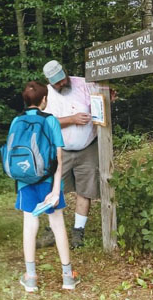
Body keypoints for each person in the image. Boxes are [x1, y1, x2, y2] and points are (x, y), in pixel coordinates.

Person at [14, 81, 79, 292]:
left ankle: (31, 277)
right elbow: (59, 158)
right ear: (44, 100)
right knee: (58, 224)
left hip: (25, 180)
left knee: (29, 225)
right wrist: (55, 189)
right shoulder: (50, 121)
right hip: (49, 181)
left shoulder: (16, 121)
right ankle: (68, 276)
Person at [37, 60, 99, 249]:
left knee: (85, 190)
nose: (62, 84)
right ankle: (53, 231)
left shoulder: (84, 84)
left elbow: (100, 101)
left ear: (66, 71)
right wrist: (72, 120)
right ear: (49, 81)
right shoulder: (45, 95)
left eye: (62, 79)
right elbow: (45, 122)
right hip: (60, 150)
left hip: (87, 147)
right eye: (57, 82)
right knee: (55, 191)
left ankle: (78, 232)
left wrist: (108, 97)